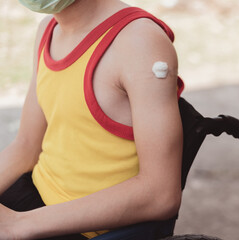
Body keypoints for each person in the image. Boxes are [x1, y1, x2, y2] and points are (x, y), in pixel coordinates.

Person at [0, 0, 184, 239]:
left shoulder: (139, 41)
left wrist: (16, 224)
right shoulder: (48, 29)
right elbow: (26, 145)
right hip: (35, 200)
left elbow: (160, 195)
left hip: (89, 228)